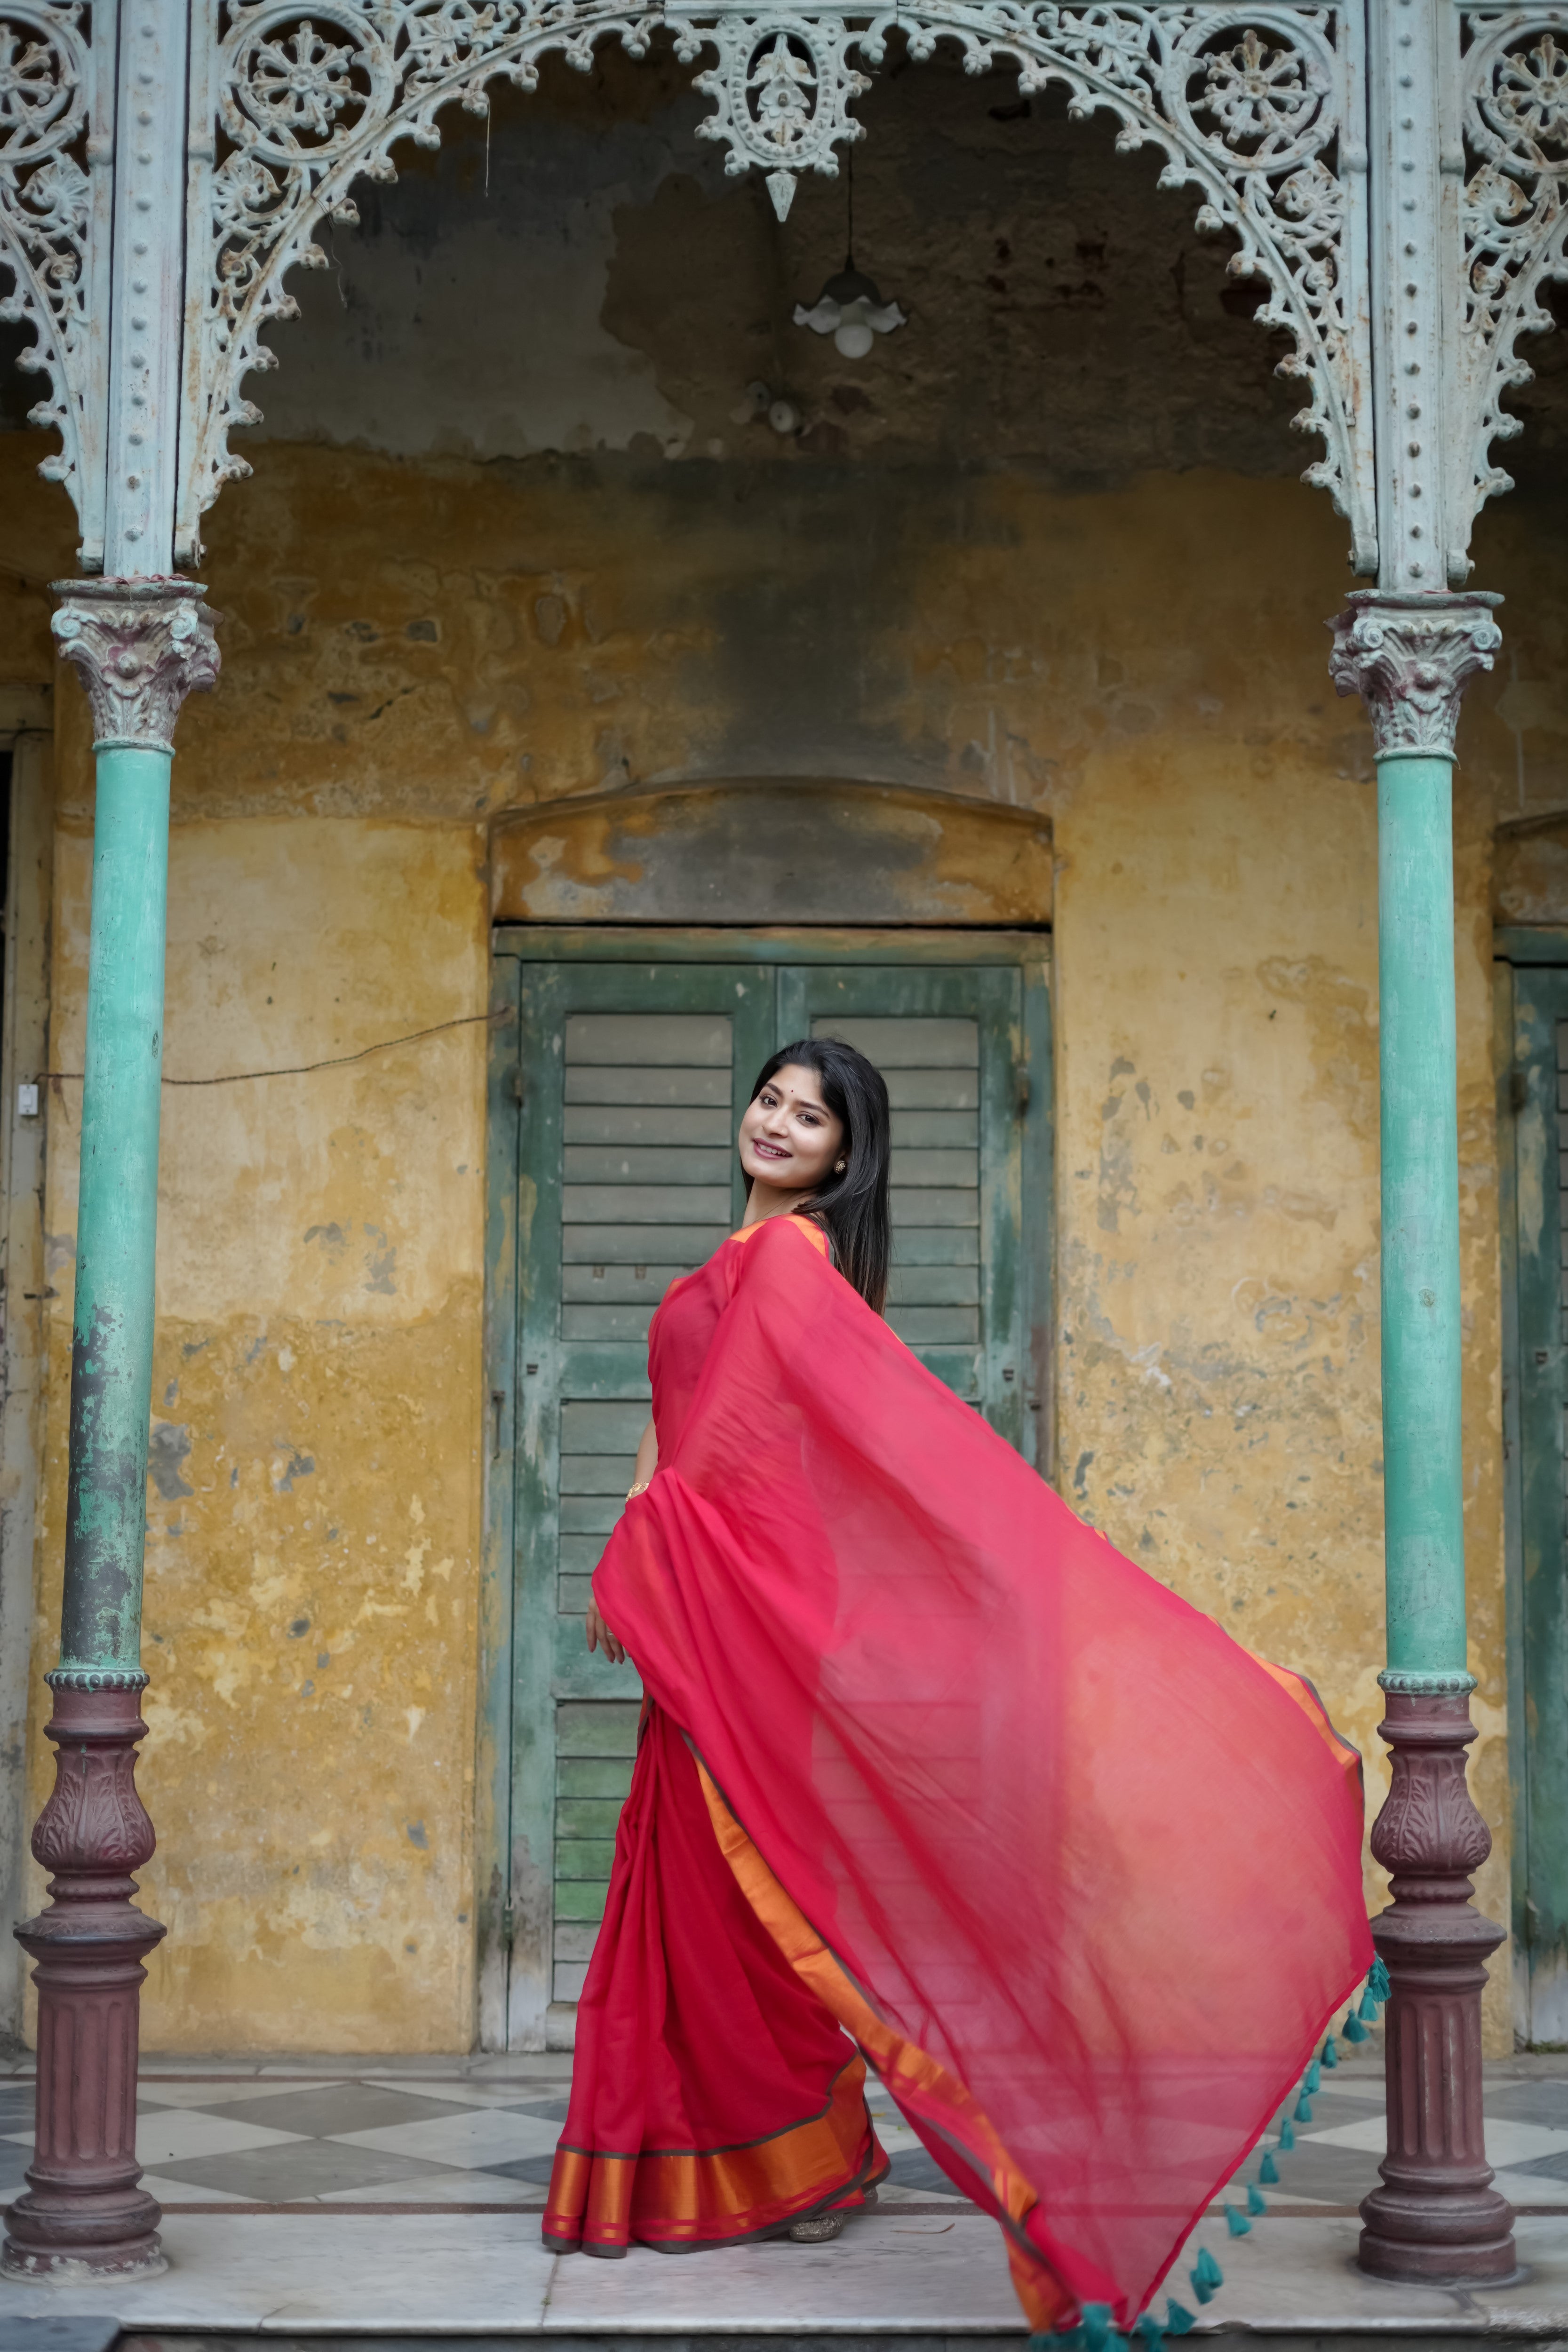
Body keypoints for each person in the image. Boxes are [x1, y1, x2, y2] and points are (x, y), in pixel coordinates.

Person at [542, 1039, 1370, 2328]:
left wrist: (664, 1555)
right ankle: (773, 2160)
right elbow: (678, 1418)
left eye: (808, 1117)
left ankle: (822, 2158)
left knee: (743, 1901)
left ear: (842, 1158)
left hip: (744, 1613)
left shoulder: (794, 1260)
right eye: (770, 1099)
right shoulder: (735, 1259)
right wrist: (627, 1537)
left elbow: (756, 1456)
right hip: (692, 1605)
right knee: (706, 1901)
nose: (776, 1123)